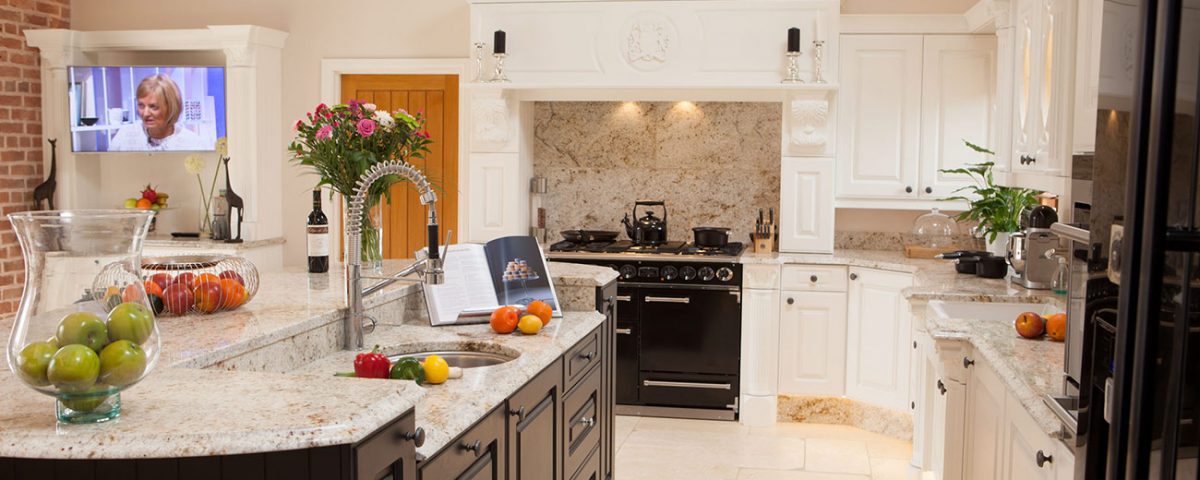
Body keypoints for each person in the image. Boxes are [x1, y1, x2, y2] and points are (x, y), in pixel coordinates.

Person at [109, 74, 208, 151]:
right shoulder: (124, 135)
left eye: (153, 107)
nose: (145, 113)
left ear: (171, 107)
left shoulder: (194, 144)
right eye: (141, 105)